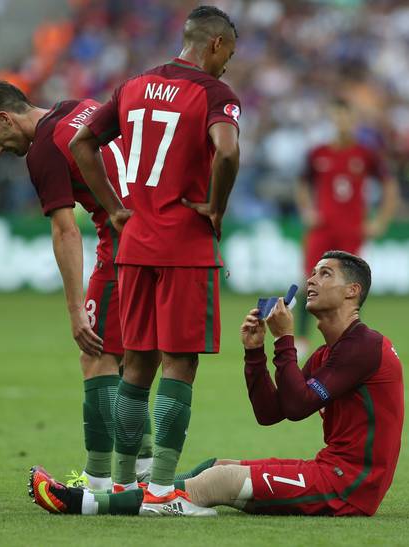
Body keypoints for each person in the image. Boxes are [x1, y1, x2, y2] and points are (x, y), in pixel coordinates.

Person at [28, 250, 404, 517]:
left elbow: (297, 405)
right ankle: (127, 493)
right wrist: (255, 353)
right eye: (314, 271)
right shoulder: (331, 354)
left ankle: (83, 504)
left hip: (348, 485)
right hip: (335, 472)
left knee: (218, 482)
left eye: (326, 274)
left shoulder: (365, 345)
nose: (311, 279)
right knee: (216, 464)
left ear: (352, 291)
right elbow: (271, 413)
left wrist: (285, 340)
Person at [67, 6, 241, 515]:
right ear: (214, 44)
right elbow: (227, 153)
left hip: (134, 245)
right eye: (229, 51)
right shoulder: (214, 95)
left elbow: (82, 144)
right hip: (185, 245)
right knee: (178, 363)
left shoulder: (132, 85)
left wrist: (116, 208)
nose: (229, 63)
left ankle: (123, 486)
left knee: (135, 363)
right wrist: (216, 207)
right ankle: (162, 491)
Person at [0, 80, 154, 490]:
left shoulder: (45, 149)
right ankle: (144, 465)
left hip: (124, 244)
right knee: (129, 356)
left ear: (6, 118)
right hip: (159, 232)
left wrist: (73, 312)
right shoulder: (80, 107)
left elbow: (66, 232)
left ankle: (100, 478)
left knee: (96, 355)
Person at [294, 99, 400, 355]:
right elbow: (301, 182)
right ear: (332, 119)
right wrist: (307, 210)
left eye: (346, 117)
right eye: (337, 116)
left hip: (351, 230)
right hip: (324, 228)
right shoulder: (318, 153)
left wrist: (380, 221)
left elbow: (390, 186)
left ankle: (347, 340)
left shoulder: (365, 154)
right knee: (309, 280)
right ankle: (301, 339)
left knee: (350, 285)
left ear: (353, 120)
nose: (341, 122)